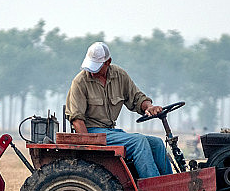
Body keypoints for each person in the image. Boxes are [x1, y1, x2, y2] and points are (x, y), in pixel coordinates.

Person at [65, 41, 173, 179]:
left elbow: (137, 98)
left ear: (108, 62)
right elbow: (77, 120)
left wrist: (149, 107)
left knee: (157, 144)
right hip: (92, 132)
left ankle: (170, 187)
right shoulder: (79, 82)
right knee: (138, 141)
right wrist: (90, 146)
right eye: (90, 67)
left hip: (110, 131)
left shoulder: (119, 75)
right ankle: (154, 189)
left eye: (96, 68)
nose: (92, 72)